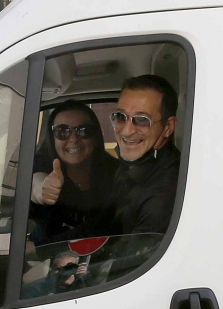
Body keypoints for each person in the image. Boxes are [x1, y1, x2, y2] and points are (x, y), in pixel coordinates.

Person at [28, 102, 118, 243]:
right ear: (52, 139)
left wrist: (36, 249)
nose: (74, 139)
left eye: (84, 130)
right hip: (46, 264)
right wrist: (42, 191)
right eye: (62, 131)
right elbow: (35, 183)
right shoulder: (39, 166)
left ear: (95, 138)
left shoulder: (115, 171)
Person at [109, 74, 180, 237]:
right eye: (120, 117)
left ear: (168, 127)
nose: (126, 131)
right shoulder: (134, 164)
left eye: (141, 120)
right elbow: (105, 223)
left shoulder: (162, 194)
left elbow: (134, 260)